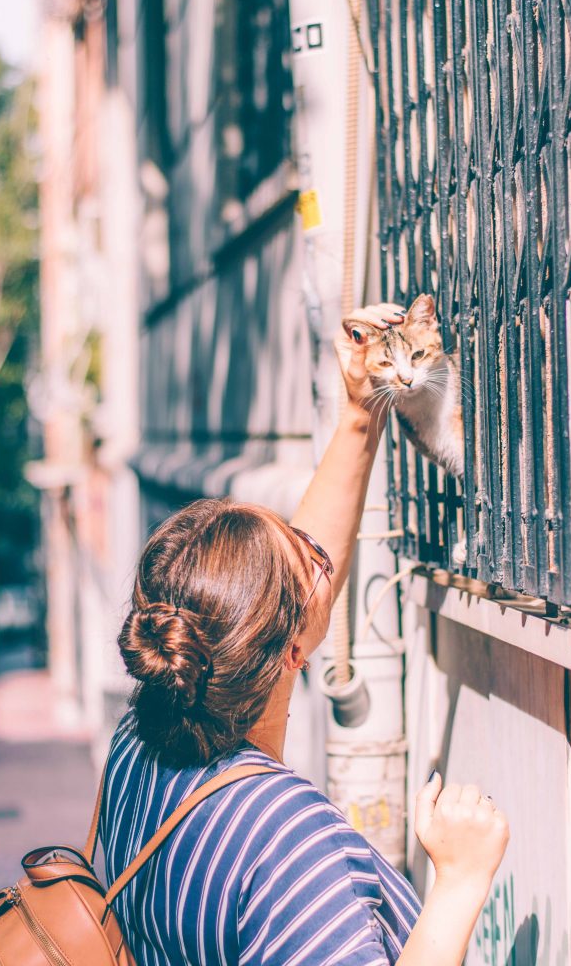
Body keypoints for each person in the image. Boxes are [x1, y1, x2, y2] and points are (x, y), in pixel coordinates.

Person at [100, 302, 509, 966]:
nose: (319, 555)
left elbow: (288, 593)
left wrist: (357, 414)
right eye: (308, 562)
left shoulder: (139, 744)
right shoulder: (289, 846)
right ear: (294, 648)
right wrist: (458, 884)